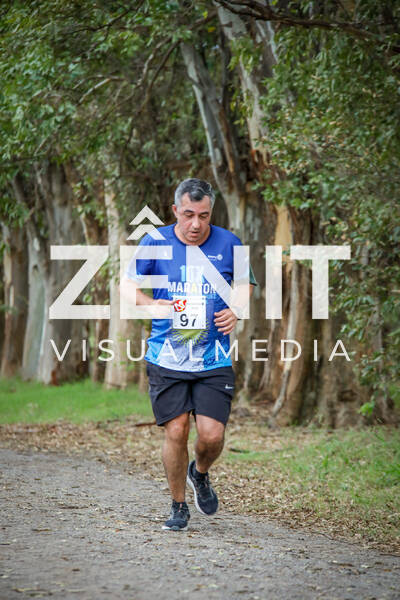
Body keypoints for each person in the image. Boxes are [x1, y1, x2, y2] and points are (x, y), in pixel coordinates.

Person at [121, 178, 256, 531]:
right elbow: (127, 286)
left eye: (204, 216)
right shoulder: (155, 242)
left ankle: (201, 472)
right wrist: (150, 305)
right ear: (175, 211)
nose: (196, 224)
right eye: (188, 215)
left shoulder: (230, 243)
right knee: (177, 430)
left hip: (214, 357)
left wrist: (236, 309)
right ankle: (178, 505)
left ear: (211, 212)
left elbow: (245, 285)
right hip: (166, 356)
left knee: (211, 436)